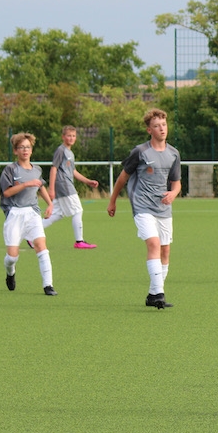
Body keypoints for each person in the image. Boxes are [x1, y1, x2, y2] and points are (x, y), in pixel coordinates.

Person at [107, 108, 182, 309]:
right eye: (157, 126)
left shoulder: (174, 153)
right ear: (149, 130)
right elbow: (122, 178)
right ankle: (159, 294)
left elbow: (176, 182)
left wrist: (173, 193)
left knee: (165, 250)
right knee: (154, 244)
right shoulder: (140, 152)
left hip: (163, 208)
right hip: (142, 206)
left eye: (164, 124)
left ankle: (152, 294)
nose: (162, 128)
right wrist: (112, 201)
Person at [0, 132, 57, 295]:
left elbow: (41, 186)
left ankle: (48, 285)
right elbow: (7, 193)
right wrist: (25, 184)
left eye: (28, 147)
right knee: (12, 257)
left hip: (32, 213)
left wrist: (50, 204)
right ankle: (10, 273)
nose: (25, 150)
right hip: (14, 214)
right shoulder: (10, 170)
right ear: (15, 150)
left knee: (41, 246)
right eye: (21, 147)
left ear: (31, 150)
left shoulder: (36, 169)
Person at [43, 125, 100, 248]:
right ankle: (79, 242)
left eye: (73, 136)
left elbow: (73, 171)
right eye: (69, 135)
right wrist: (51, 189)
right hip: (64, 185)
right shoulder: (61, 150)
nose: (71, 138)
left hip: (66, 184)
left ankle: (32, 234)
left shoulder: (70, 152)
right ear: (63, 137)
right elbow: (54, 169)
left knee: (58, 214)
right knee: (78, 210)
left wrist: (88, 181)